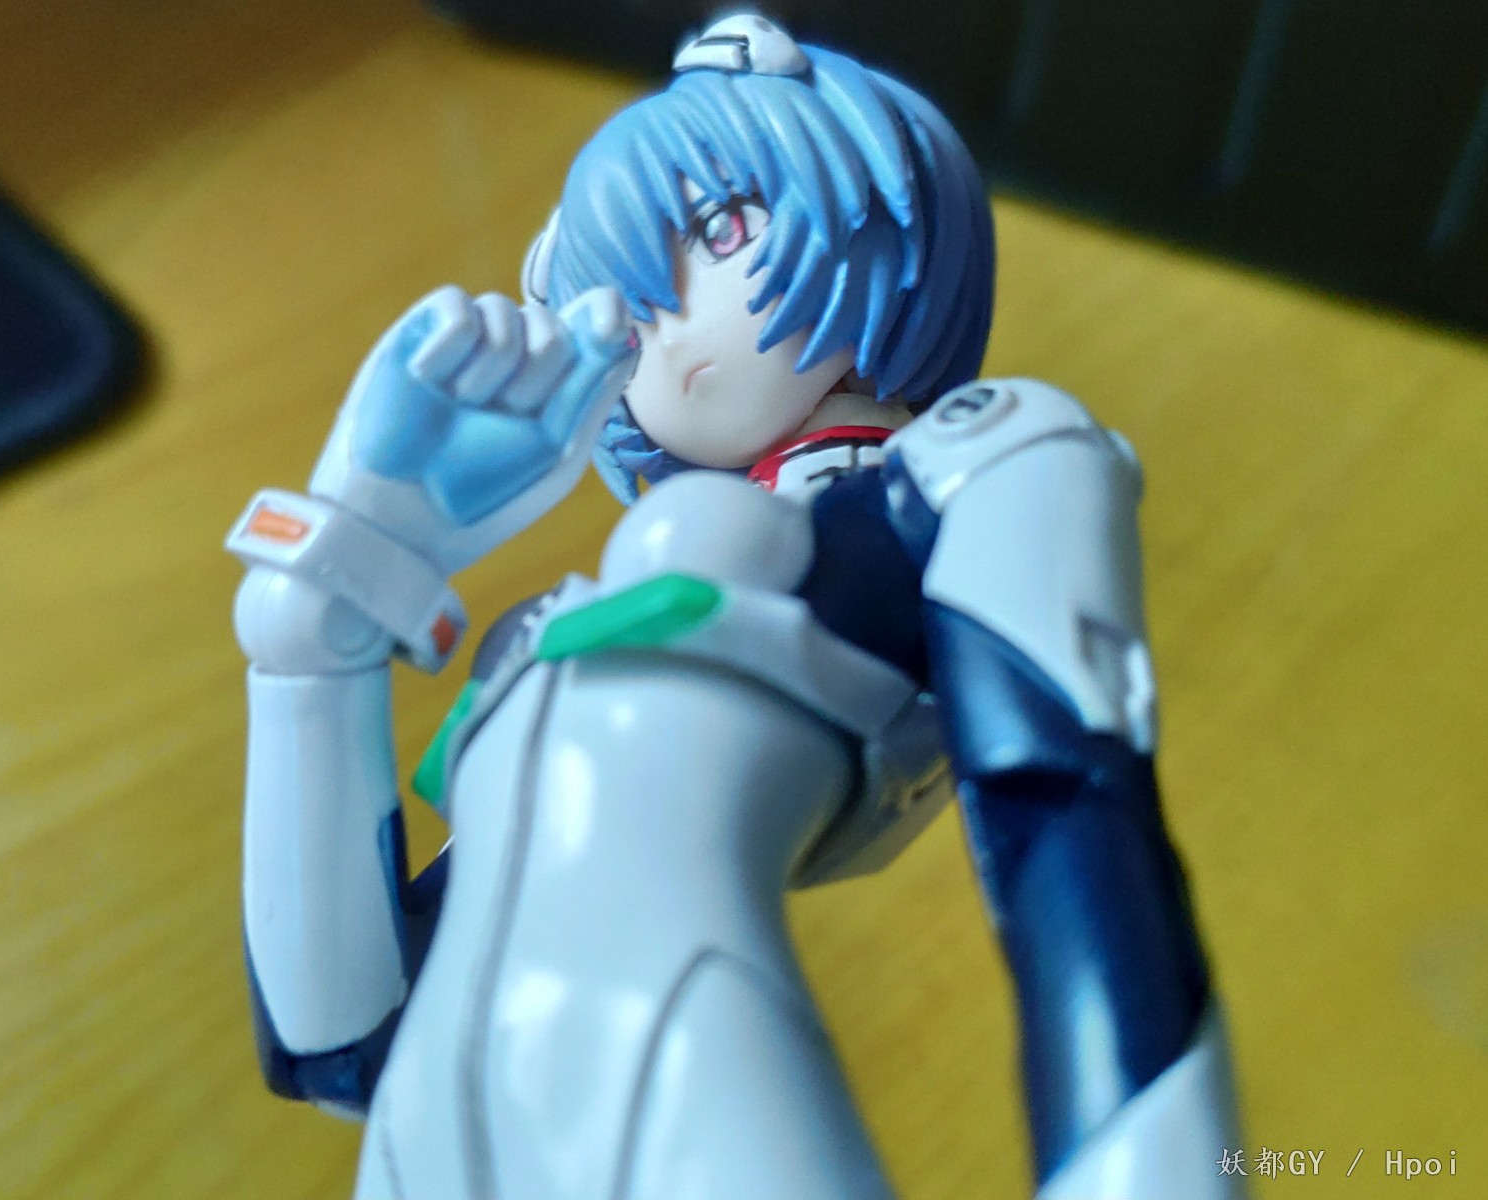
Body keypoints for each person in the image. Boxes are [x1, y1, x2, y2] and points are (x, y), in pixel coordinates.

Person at [227, 13, 1246, 1198]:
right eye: (627, 306)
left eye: (718, 229)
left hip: (693, 1101)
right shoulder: (567, 631)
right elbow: (344, 1045)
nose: (672, 325)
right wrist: (327, 620)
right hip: (430, 1149)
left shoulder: (964, 474)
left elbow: (1068, 806)